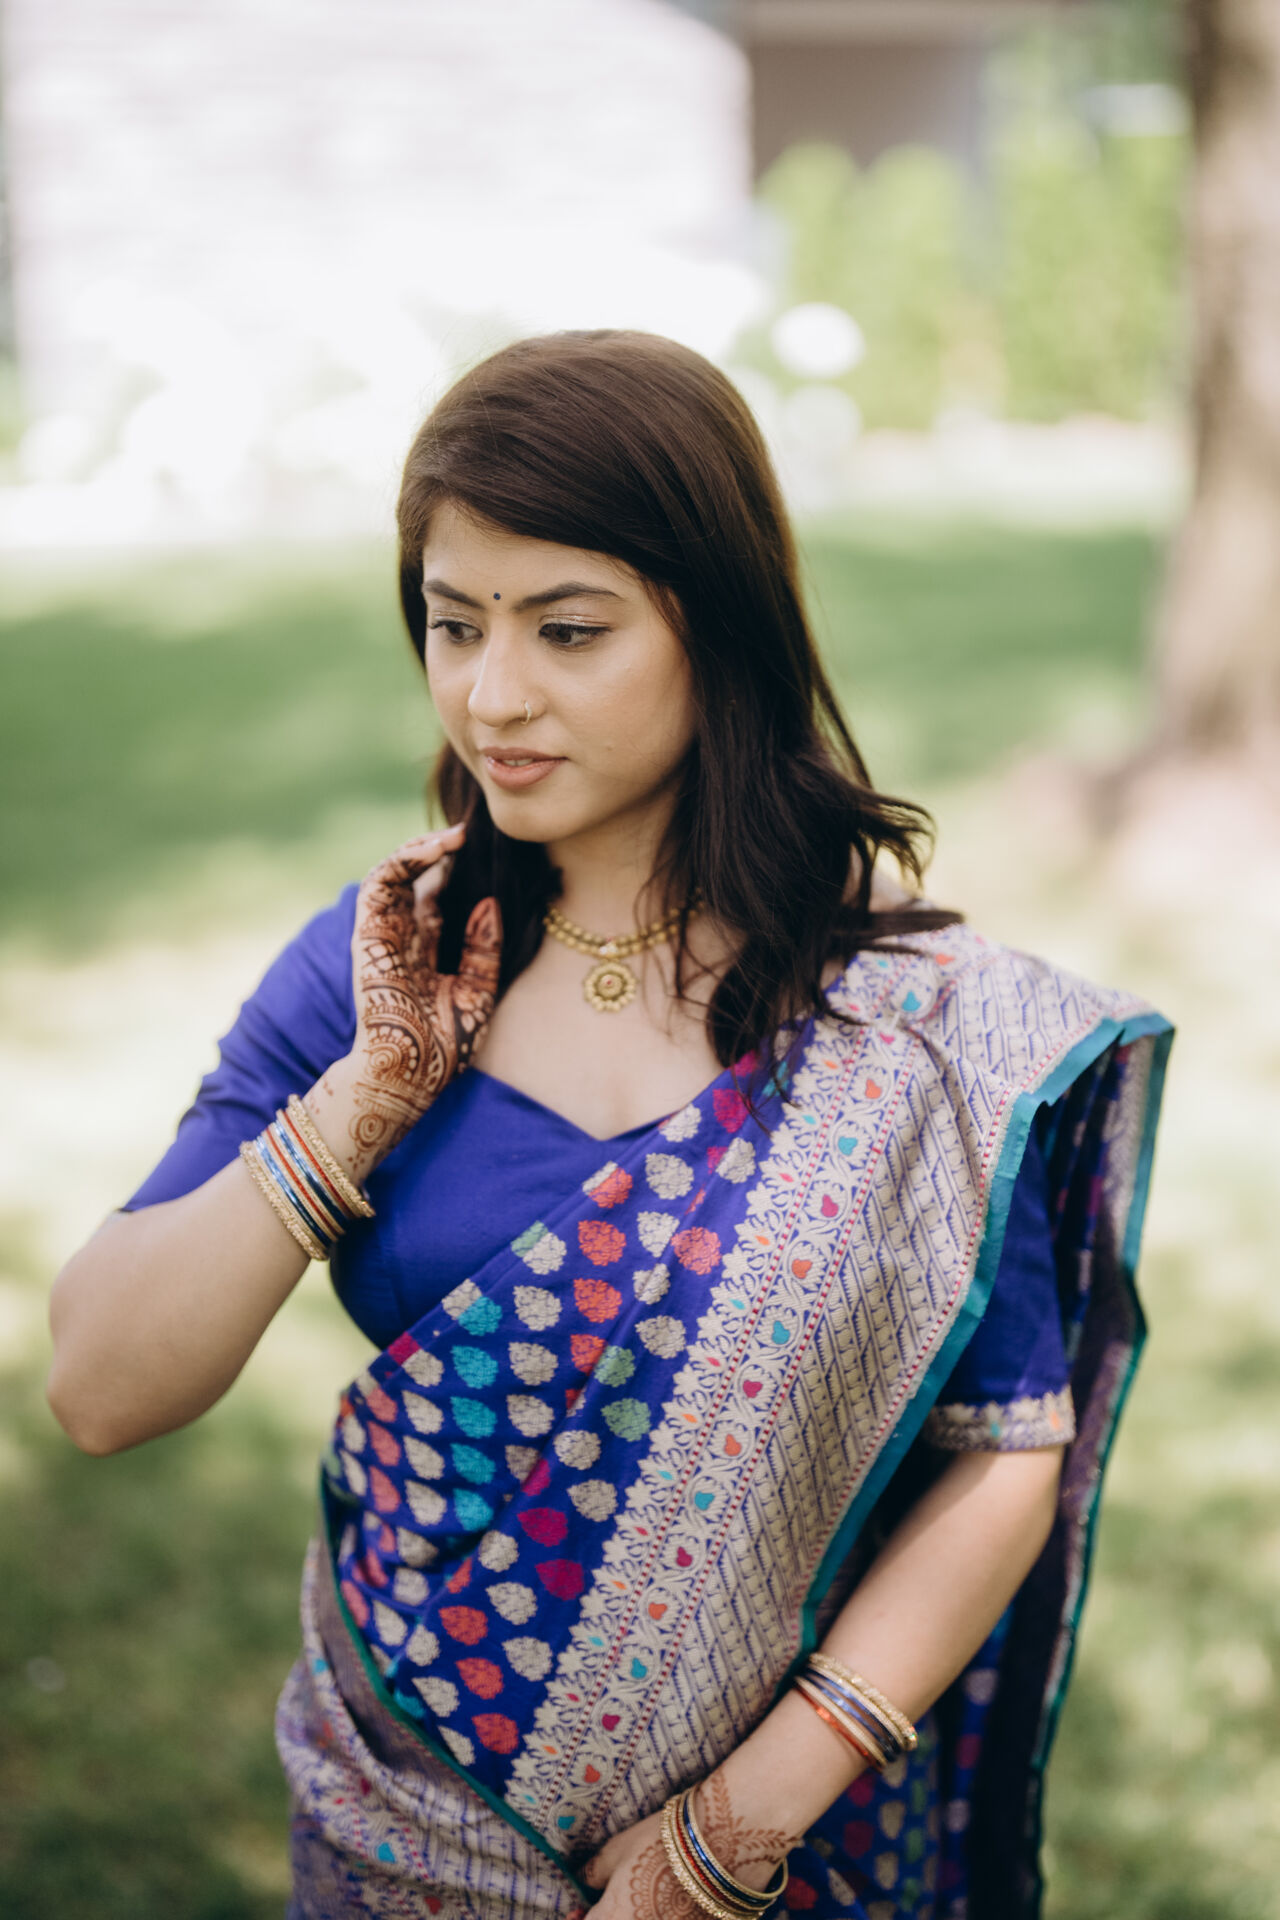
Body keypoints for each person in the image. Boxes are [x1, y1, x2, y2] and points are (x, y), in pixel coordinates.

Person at [46, 331, 1172, 1920]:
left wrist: (736, 1828)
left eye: (568, 631)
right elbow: (100, 1389)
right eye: (453, 625)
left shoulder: (913, 1028)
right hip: (402, 1821)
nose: (492, 695)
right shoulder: (380, 973)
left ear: (719, 629)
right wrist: (365, 1100)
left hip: (784, 1842)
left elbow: (1003, 1454)